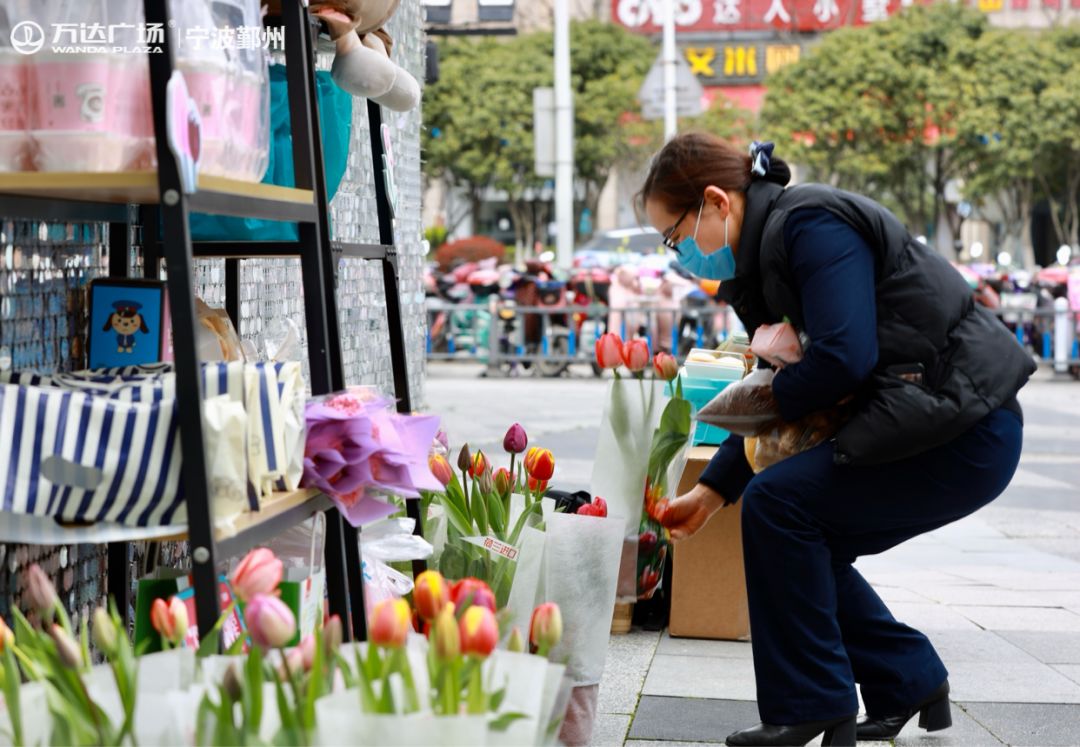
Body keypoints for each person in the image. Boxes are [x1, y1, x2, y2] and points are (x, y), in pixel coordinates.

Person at [639, 133, 1035, 747]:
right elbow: (786, 395)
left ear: (717, 202)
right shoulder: (761, 266)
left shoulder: (810, 225)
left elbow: (841, 361)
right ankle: (906, 678)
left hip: (964, 428)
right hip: (922, 421)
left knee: (781, 508)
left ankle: (812, 704)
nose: (680, 254)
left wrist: (740, 434)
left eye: (675, 235)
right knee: (797, 534)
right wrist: (713, 492)